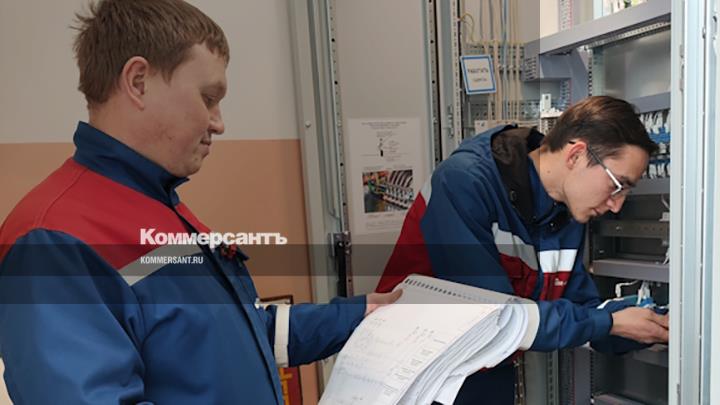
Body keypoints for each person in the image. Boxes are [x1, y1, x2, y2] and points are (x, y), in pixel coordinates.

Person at [0, 1, 399, 403]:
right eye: (208, 98)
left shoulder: (157, 208)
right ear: (138, 82)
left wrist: (357, 314)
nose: (218, 123)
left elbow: (234, 333)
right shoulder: (53, 243)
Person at [376, 96, 669, 404]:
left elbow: (581, 312)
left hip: (483, 372)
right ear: (576, 155)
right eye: (617, 185)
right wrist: (610, 322)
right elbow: (493, 320)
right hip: (412, 378)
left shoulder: (566, 210)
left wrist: (653, 324)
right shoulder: (465, 183)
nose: (617, 205)